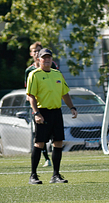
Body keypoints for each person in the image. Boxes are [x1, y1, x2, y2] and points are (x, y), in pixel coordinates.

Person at [26, 48, 78, 184]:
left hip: (56, 112)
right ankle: (33, 175)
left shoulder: (57, 74)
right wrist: (36, 113)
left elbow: (64, 93)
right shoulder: (34, 74)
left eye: (49, 57)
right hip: (42, 112)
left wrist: (72, 107)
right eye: (44, 57)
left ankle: (55, 175)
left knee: (58, 142)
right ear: (39, 59)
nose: (47, 60)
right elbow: (31, 96)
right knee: (39, 143)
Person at [25, 41, 54, 168]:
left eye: (39, 50)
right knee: (40, 135)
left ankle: (53, 158)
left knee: (53, 134)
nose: (37, 53)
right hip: (37, 106)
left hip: (50, 105)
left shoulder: (52, 66)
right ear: (31, 54)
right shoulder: (30, 71)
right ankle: (46, 158)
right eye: (35, 51)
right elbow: (28, 90)